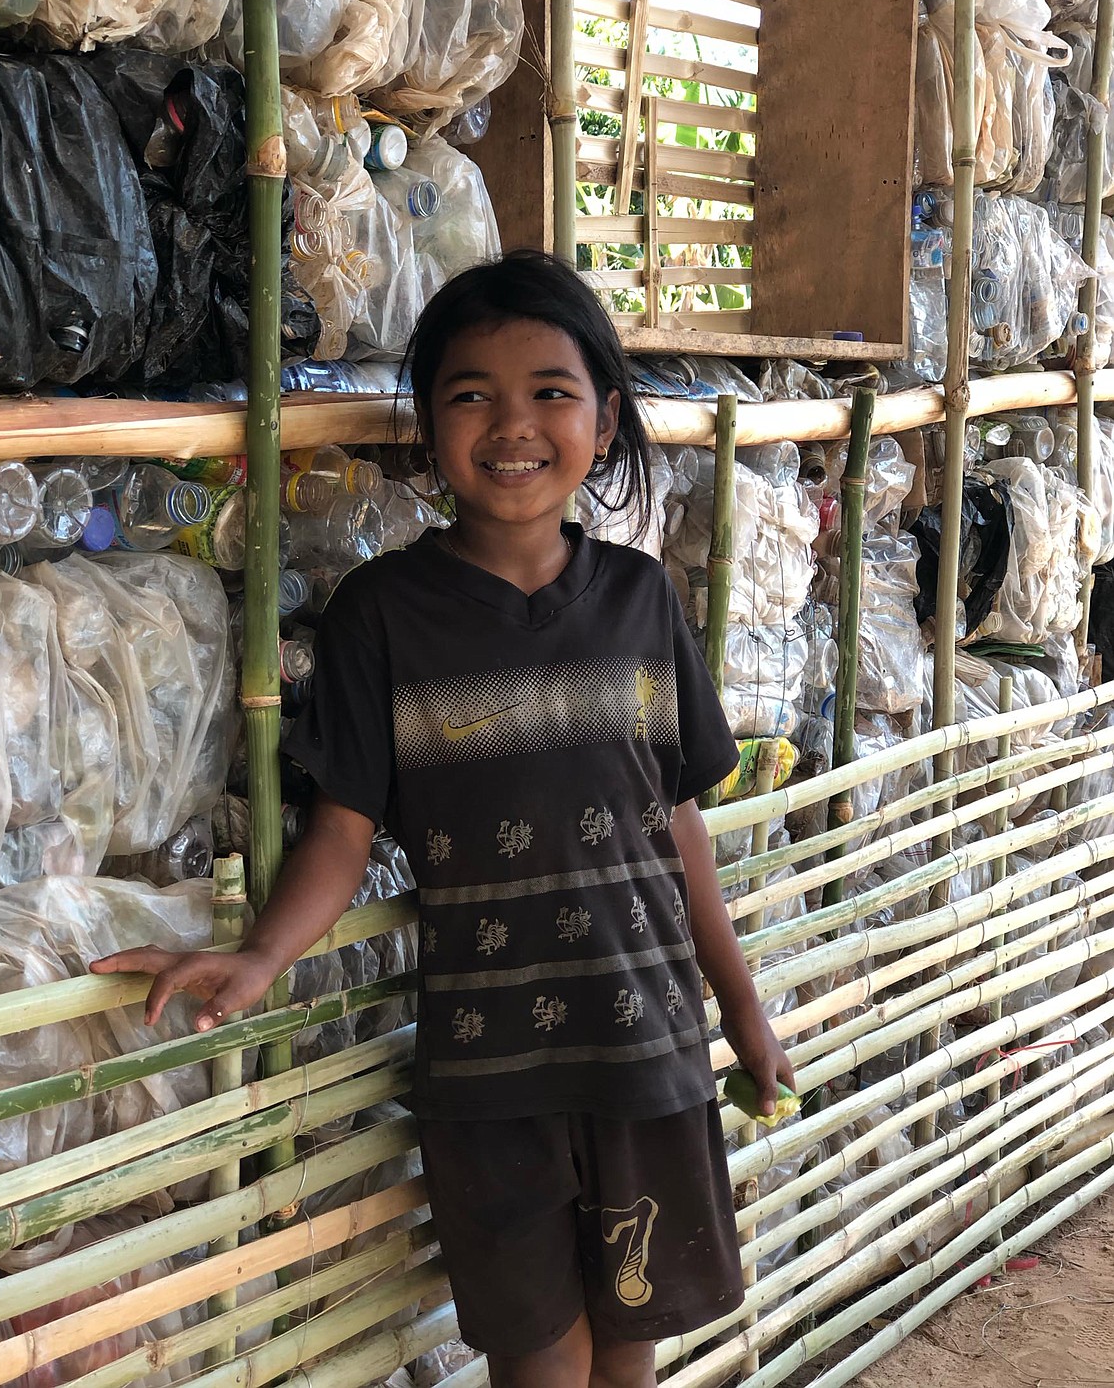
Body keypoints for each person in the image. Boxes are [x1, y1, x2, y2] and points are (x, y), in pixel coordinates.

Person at [91, 250, 794, 1388]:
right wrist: (263, 950)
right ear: (428, 426)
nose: (513, 424)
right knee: (540, 1357)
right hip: (489, 1065)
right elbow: (344, 824)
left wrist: (743, 1003)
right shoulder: (385, 617)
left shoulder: (641, 601)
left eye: (550, 393)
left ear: (604, 420)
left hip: (647, 1045)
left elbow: (677, 822)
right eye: (472, 393)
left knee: (631, 1342)